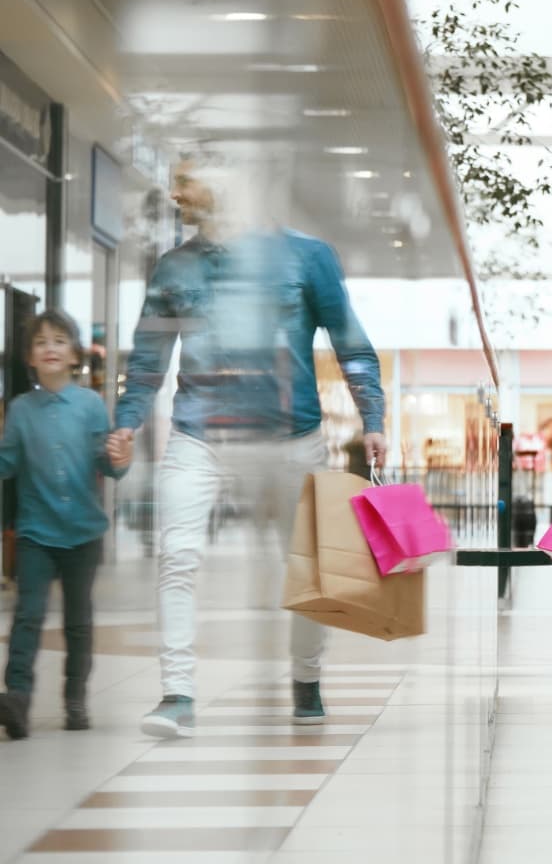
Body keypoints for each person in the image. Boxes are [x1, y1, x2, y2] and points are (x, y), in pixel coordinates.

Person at [113, 154, 388, 739]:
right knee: (177, 556)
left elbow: (352, 343)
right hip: (199, 437)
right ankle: (177, 694)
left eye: (186, 181)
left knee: (305, 567)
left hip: (292, 438)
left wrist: (374, 417)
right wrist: (126, 421)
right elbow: (147, 359)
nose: (177, 193)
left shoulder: (307, 256)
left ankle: (306, 679)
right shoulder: (174, 269)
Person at [0, 310, 132, 739]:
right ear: (30, 358)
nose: (50, 348)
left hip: (82, 533)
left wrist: (119, 461)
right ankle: (16, 698)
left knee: (78, 620)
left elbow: (106, 465)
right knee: (28, 615)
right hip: (36, 532)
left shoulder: (91, 405)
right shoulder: (20, 410)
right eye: (40, 343)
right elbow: (8, 463)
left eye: (59, 340)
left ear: (74, 354)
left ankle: (75, 697)